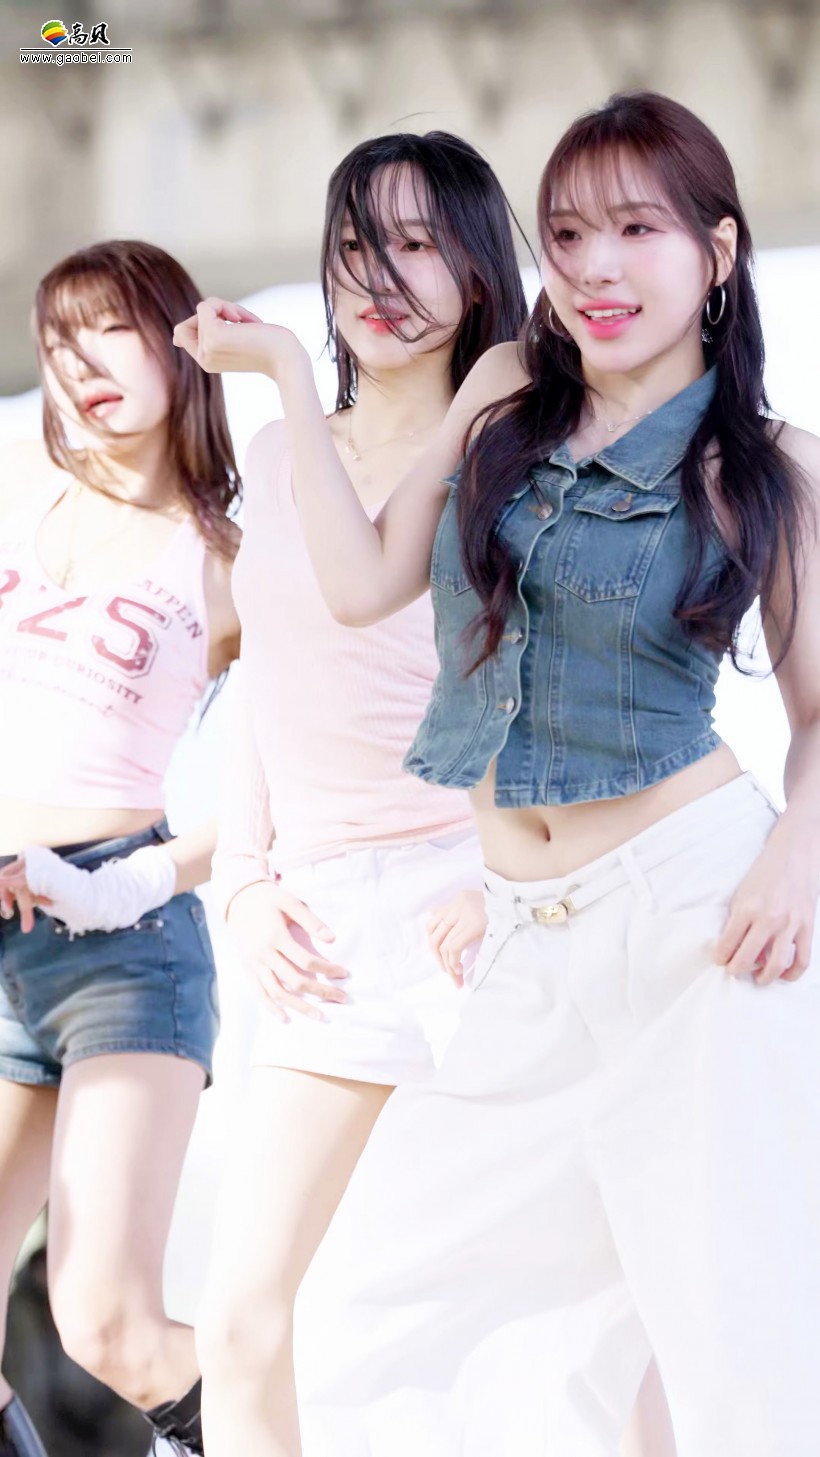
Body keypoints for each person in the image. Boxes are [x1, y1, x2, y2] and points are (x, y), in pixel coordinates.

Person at [179, 92, 820, 1457]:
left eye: (636, 229)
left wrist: (794, 855)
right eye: (569, 233)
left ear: (716, 252)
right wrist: (284, 367)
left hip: (694, 914)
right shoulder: (506, 412)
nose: (595, 264)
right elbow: (355, 586)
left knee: (722, 1349)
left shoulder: (770, 467)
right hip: (524, 935)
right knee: (375, 1316)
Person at [172, 131, 527, 1457]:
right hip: (321, 927)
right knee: (244, 1320)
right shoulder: (281, 455)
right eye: (355, 245)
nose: (379, 276)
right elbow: (272, 677)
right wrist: (245, 883)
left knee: (521, 1317)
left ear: (477, 269)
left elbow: (552, 681)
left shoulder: (511, 453)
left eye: (418, 244)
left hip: (468, 907)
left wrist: (503, 877)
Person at [0, 240, 241, 1457]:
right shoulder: (16, 495)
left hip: (121, 941)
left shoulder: (229, 557)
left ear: (180, 342)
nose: (81, 363)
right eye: (59, 339)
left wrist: (133, 881)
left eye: (111, 329)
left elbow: (299, 784)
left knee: (105, 1319)